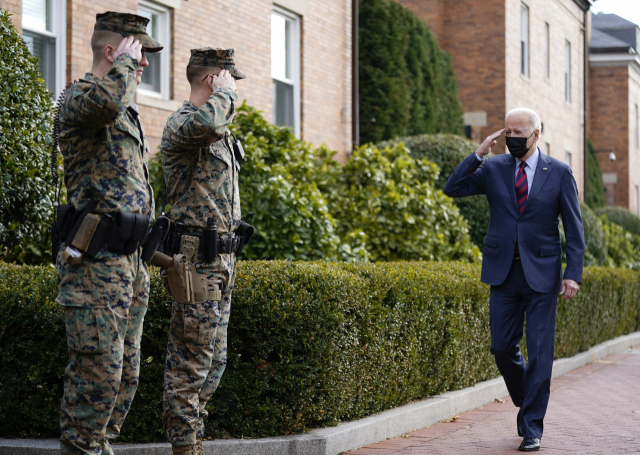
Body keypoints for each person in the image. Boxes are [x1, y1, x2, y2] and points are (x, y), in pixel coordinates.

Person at [444, 108, 585, 452]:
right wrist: (478, 154)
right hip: (503, 272)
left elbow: (574, 228)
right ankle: (529, 402)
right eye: (507, 131)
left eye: (519, 132)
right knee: (502, 347)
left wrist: (573, 273)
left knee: (539, 353)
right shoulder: (493, 167)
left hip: (543, 276)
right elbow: (453, 188)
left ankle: (532, 427)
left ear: (536, 134)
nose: (512, 138)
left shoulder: (560, 172)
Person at [54, 11, 163, 455]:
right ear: (110, 51)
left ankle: (101, 447)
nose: (143, 65)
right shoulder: (82, 98)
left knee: (126, 374)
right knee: (97, 374)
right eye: (138, 55)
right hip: (94, 264)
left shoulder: (123, 108)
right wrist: (121, 66)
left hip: (128, 265)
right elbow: (109, 101)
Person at [160, 48, 250, 455]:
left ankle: (194, 441)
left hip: (223, 260)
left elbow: (217, 126)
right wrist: (225, 95)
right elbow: (210, 123)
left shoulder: (214, 127)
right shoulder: (184, 124)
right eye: (230, 80)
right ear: (214, 78)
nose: (235, 90)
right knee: (190, 363)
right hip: (196, 259)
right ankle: (184, 449)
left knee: (214, 361)